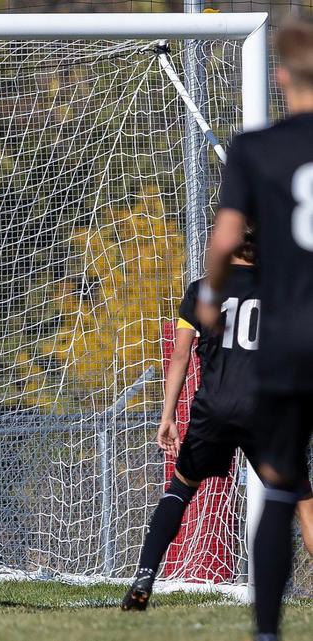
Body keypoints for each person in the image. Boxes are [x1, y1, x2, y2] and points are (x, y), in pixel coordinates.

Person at [201, 14, 313, 641]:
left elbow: (223, 239)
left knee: (278, 481)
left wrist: (214, 295)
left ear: (280, 77)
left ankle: (267, 632)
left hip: (290, 338)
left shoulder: (256, 148)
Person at [122, 232, 259, 610]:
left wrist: (167, 417)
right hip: (265, 409)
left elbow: (181, 355)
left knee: (180, 490)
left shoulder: (202, 289)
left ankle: (145, 576)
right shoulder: (282, 288)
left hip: (213, 406)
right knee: (299, 497)